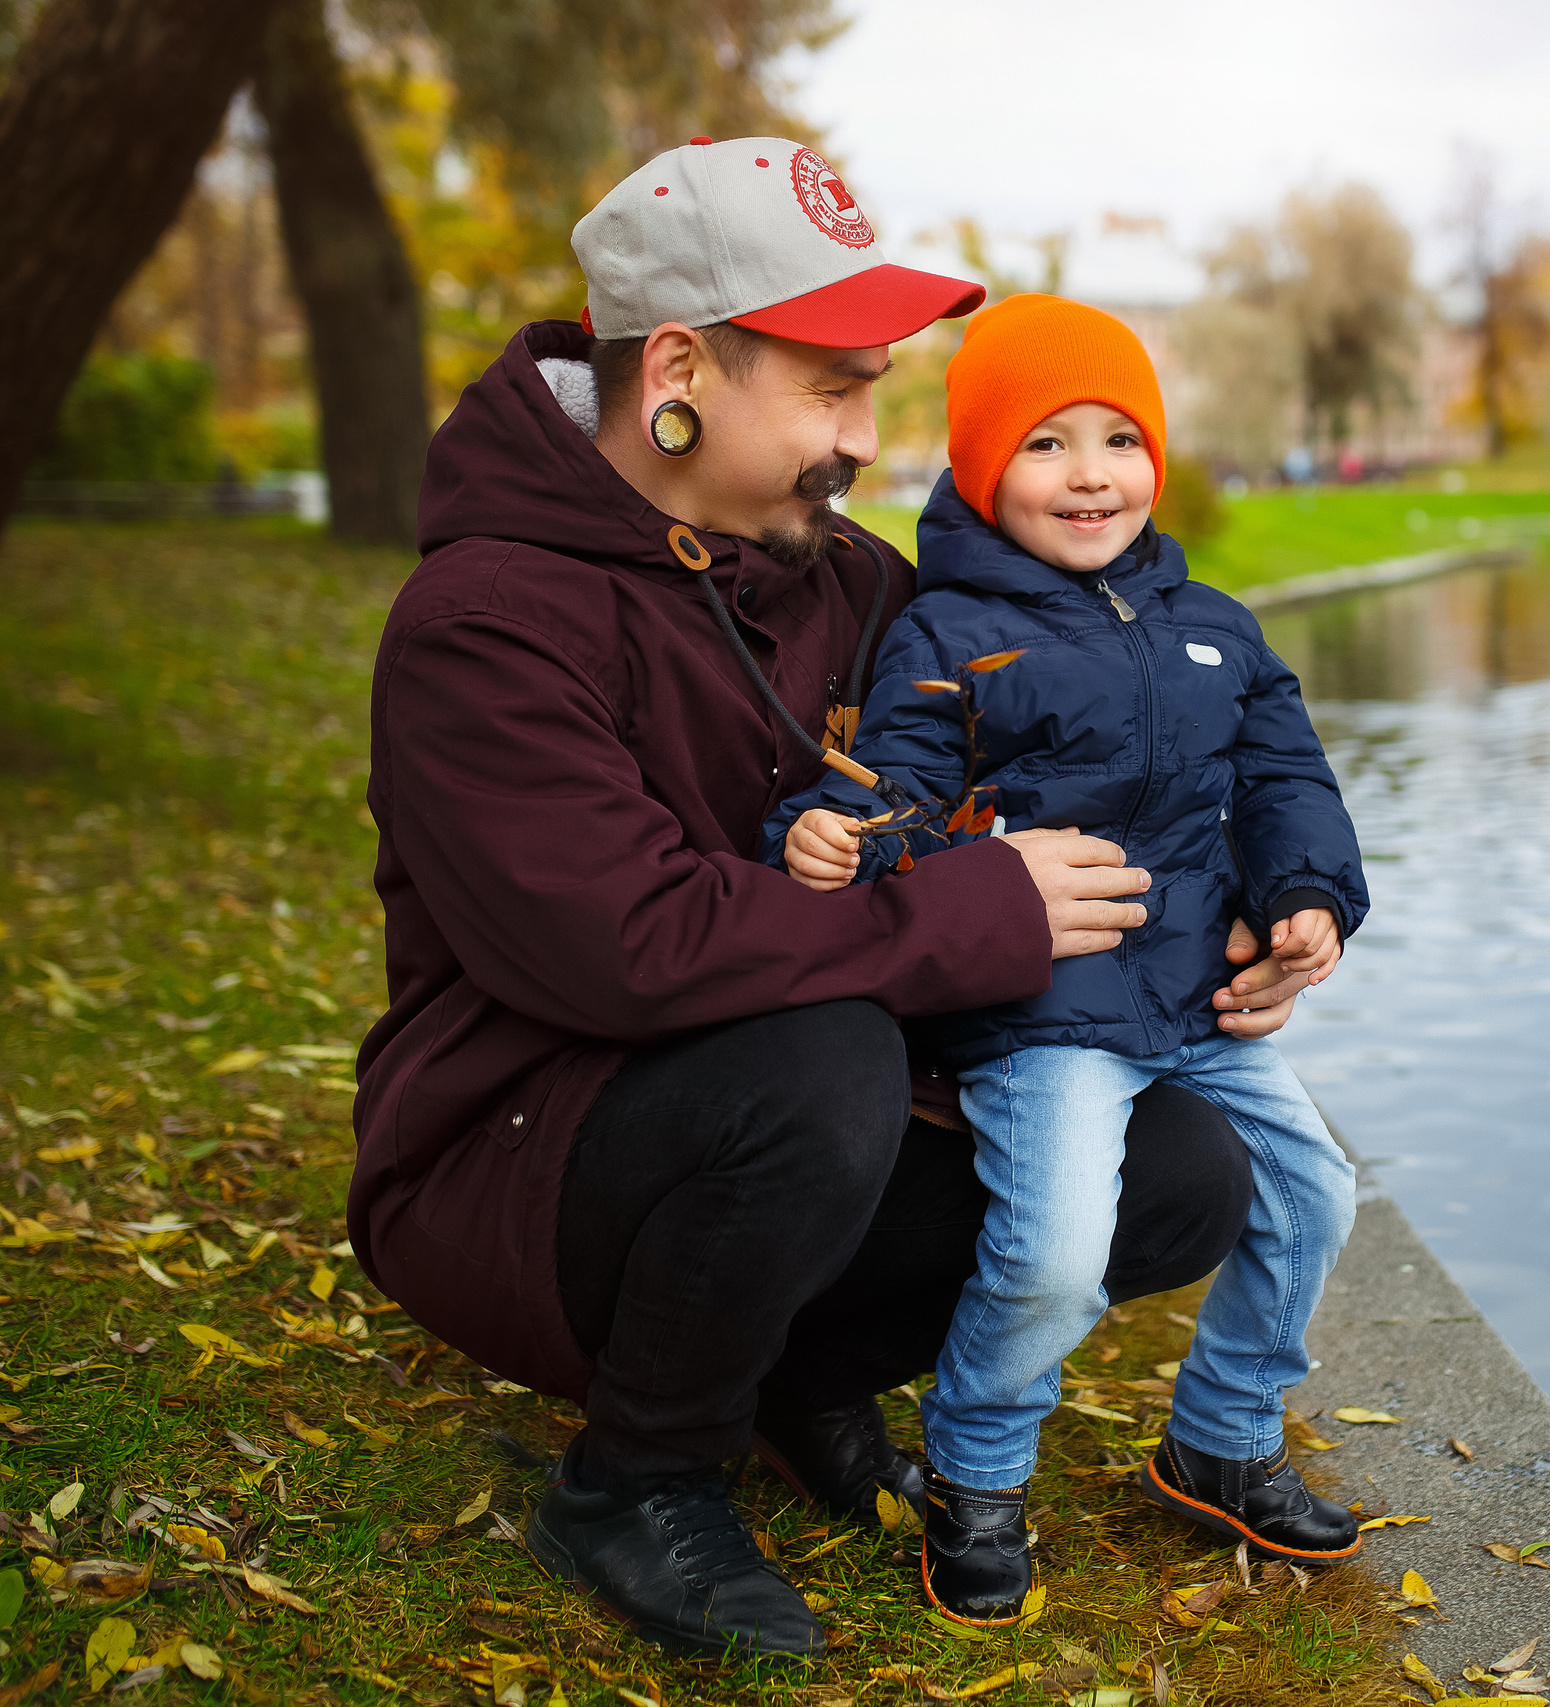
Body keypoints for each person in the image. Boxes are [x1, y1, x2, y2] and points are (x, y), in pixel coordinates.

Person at [349, 138, 1324, 1660]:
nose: (867, 438)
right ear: (678, 367)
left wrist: (1259, 902)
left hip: (777, 1101)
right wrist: (974, 914)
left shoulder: (855, 586)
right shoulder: (482, 624)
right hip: (523, 1159)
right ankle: (637, 1477)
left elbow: (1057, 776)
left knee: (1183, 1161)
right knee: (820, 1059)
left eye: (876, 387)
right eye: (830, 389)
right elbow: (630, 949)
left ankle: (797, 1373)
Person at [765, 294, 1368, 1626]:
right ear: (982, 467)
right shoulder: (947, 632)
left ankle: (1221, 1431)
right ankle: (979, 1478)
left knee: (1316, 1197)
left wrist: (1310, 898)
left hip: (1195, 996)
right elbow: (898, 794)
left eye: (1118, 439)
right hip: (1041, 1009)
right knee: (1053, 1252)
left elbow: (1285, 782)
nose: (1092, 474)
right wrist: (836, 838)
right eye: (1046, 444)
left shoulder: (1216, 625)